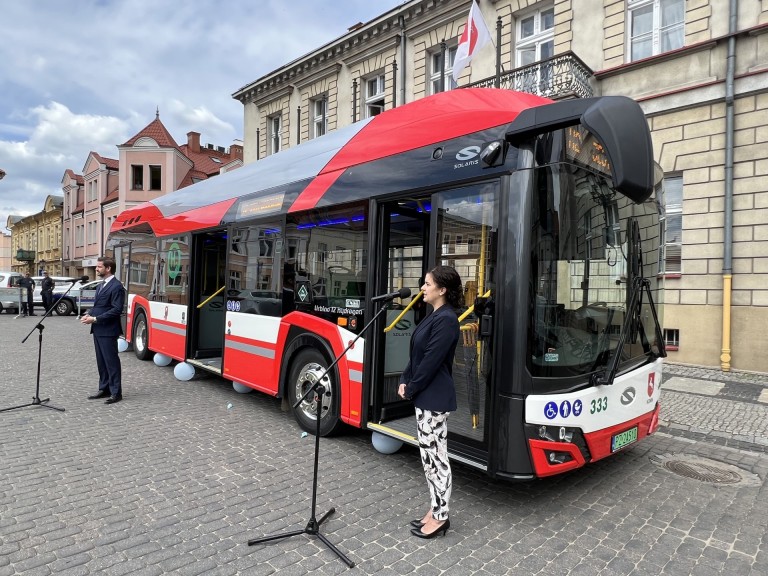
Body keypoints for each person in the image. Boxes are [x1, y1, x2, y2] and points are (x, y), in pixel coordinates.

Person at [398, 265, 462, 539]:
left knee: (436, 458)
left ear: (442, 290)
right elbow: (417, 355)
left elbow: (432, 362)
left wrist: (411, 388)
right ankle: (436, 507)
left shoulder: (447, 319)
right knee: (429, 457)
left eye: (427, 284)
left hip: (434, 398)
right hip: (426, 397)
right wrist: (404, 378)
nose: (422, 288)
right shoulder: (433, 315)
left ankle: (441, 516)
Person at [81, 257, 125, 404]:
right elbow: (99, 306)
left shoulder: (116, 286)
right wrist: (89, 313)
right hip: (98, 329)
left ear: (108, 269)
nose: (96, 269)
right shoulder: (101, 285)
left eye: (99, 267)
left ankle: (116, 392)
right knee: (101, 362)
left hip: (108, 330)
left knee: (111, 362)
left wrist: (95, 319)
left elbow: (116, 310)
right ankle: (104, 388)